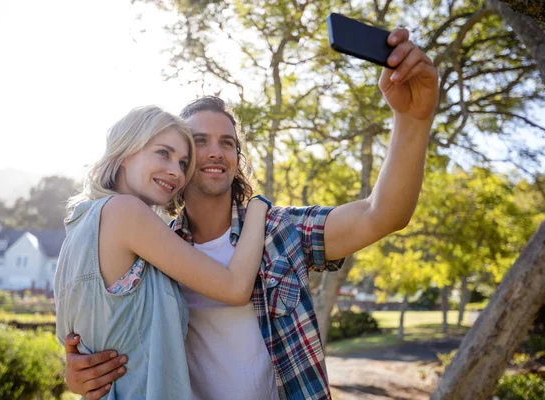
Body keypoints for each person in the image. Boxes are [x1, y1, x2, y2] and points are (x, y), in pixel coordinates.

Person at [63, 28, 439, 399]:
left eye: (227, 143)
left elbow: (382, 214)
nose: (214, 152)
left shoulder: (281, 230)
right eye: (197, 143)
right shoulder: (153, 249)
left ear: (236, 160)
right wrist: (80, 370)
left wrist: (414, 119)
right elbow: (113, 326)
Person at [54, 105, 269, 399]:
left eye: (183, 163)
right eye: (163, 153)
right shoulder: (125, 212)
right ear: (126, 152)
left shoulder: (80, 227)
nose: (176, 173)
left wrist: (76, 371)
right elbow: (234, 287)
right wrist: (258, 208)